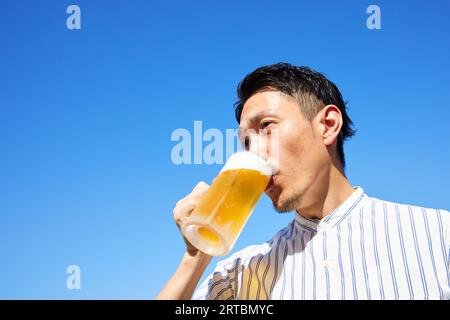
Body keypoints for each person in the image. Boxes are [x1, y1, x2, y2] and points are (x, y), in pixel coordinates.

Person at [157, 63, 450, 300]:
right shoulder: (242, 274)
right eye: (246, 142)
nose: (254, 150)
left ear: (328, 125)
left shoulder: (437, 235)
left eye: (266, 126)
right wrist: (196, 254)